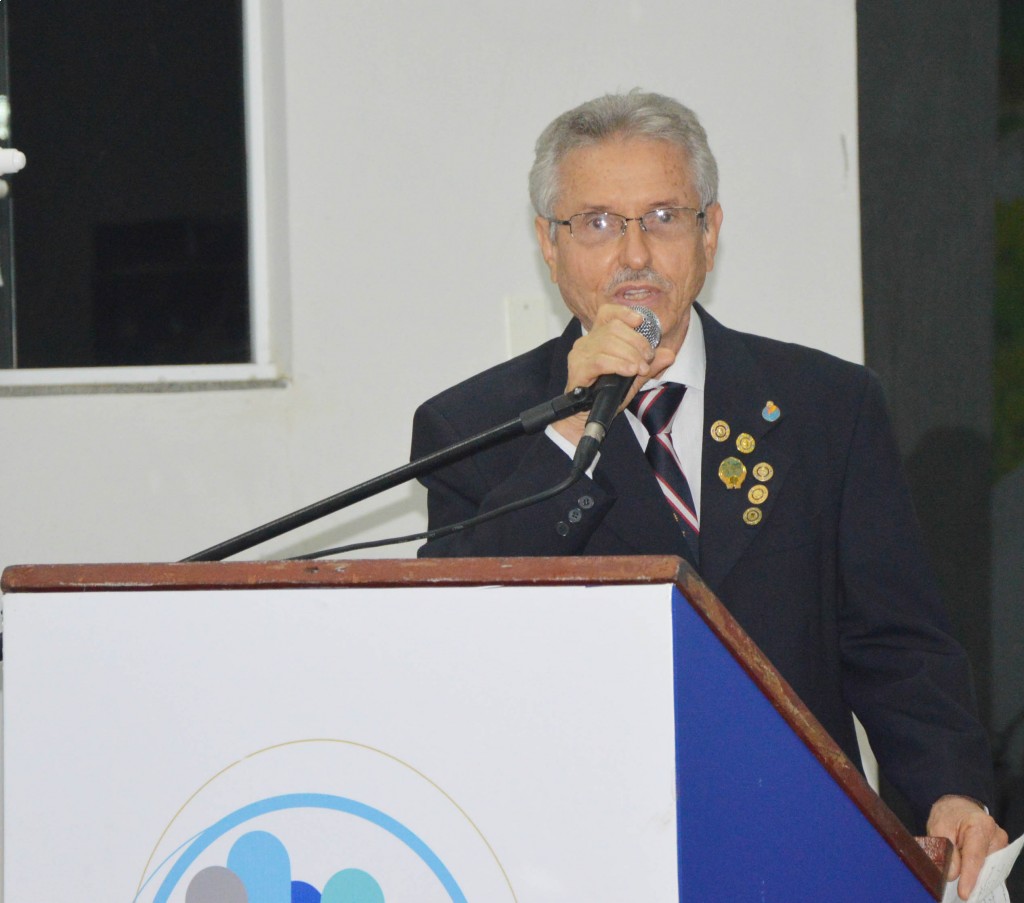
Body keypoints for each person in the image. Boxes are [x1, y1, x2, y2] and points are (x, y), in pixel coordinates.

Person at [410, 90, 1007, 898]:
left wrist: (952, 789)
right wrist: (570, 427)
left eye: (663, 216)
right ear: (549, 246)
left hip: (799, 846)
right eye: (597, 222)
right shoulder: (473, 428)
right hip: (583, 861)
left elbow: (898, 643)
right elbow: (459, 641)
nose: (634, 254)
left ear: (710, 233)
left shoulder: (828, 406)